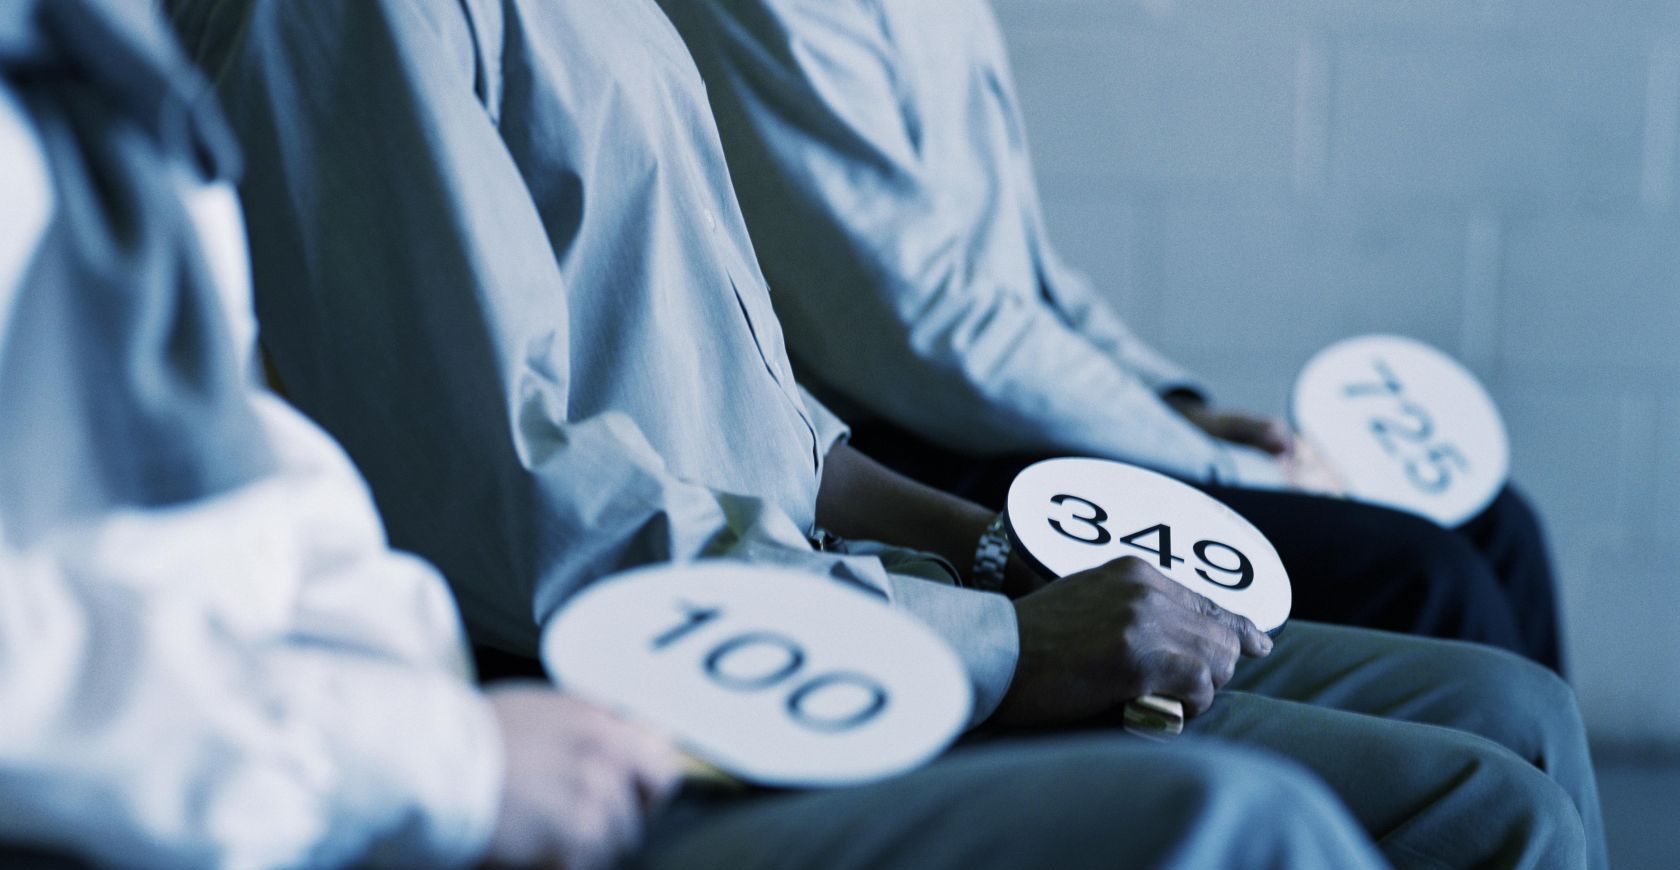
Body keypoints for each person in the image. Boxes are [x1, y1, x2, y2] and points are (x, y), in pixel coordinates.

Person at [0, 3, 1463, 870]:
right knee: (1272, 833)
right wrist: (996, 642)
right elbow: (515, 506)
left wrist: (998, 553)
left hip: (650, 643)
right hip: (621, 679)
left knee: (1484, 737)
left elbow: (760, 418)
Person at [655, 0, 1566, 674]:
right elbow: (924, 330)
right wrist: (1224, 469)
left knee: (1500, 527)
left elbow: (1027, 277)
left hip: (997, 418)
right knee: (1429, 577)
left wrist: (1182, 408)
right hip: (909, 457)